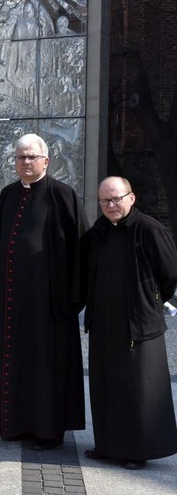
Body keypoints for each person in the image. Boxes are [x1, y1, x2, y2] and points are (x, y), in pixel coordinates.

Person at [0, 133, 88, 450]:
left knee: (47, 366)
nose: (25, 162)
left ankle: (48, 430)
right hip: (15, 300)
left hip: (51, 303)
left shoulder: (63, 195)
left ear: (46, 160)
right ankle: (16, 424)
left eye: (32, 156)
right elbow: (1, 243)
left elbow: (80, 250)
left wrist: (73, 298)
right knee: (17, 362)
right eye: (20, 157)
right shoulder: (7, 195)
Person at [80, 177, 177, 470]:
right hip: (104, 323)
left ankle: (137, 450)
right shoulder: (98, 232)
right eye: (105, 201)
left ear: (131, 198)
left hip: (139, 323)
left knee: (137, 390)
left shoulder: (149, 229)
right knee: (106, 386)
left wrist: (151, 296)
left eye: (116, 199)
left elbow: (169, 273)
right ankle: (108, 445)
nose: (110, 205)